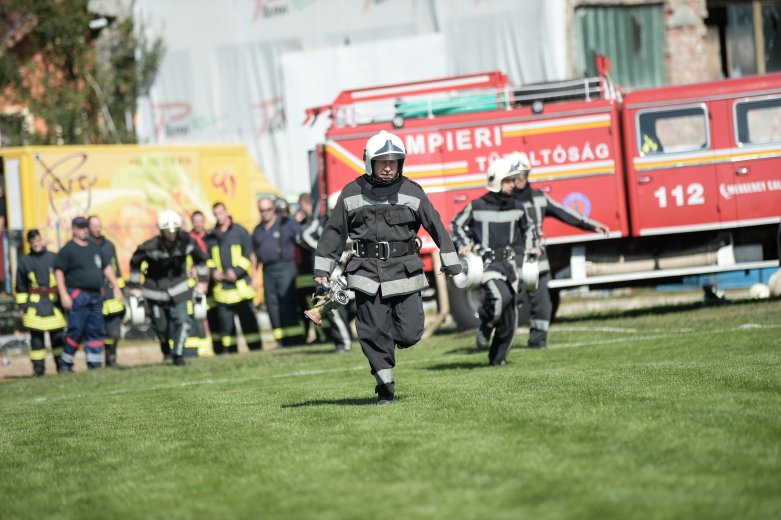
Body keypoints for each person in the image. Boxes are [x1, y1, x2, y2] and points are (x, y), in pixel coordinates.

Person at [313, 130, 462, 405]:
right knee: (371, 331)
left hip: (405, 273)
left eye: (394, 162)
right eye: (383, 161)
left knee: (409, 333)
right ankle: (385, 386)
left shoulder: (412, 191)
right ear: (370, 162)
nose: (388, 167)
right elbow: (333, 232)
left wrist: (451, 260)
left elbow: (436, 226)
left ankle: (386, 345)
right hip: (365, 274)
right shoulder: (350, 192)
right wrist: (323, 269)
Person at [510, 151, 609, 348]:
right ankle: (488, 335)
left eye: (524, 174)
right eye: (517, 175)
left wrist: (590, 225)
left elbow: (566, 213)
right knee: (507, 302)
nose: (521, 179)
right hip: (513, 261)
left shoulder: (539, 198)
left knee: (543, 303)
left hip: (538, 261)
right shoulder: (502, 202)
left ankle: (537, 342)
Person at [451, 156, 537, 366]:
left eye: (514, 180)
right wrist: (463, 243)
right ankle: (485, 326)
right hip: (486, 265)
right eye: (509, 180)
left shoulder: (518, 206)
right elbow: (457, 224)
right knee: (500, 298)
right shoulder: (477, 205)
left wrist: (531, 246)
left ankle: (498, 359)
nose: (514, 184)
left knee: (510, 316)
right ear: (497, 181)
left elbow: (530, 229)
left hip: (509, 267)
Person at [128, 210, 209, 366]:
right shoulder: (149, 247)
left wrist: (203, 281)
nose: (171, 234)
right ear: (161, 230)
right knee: (161, 327)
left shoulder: (188, 242)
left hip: (180, 288)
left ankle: (178, 355)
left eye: (174, 230)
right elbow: (135, 264)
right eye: (167, 231)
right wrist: (135, 286)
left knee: (184, 320)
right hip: (155, 291)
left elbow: (201, 260)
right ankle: (165, 347)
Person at [54, 216, 123, 372]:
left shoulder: (94, 247)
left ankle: (94, 365)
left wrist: (116, 287)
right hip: (78, 296)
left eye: (86, 227)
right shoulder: (68, 249)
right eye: (81, 227)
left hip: (96, 296)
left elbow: (106, 268)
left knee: (96, 330)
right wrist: (64, 295)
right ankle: (65, 365)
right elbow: (59, 272)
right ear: (73, 230)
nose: (85, 229)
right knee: (76, 330)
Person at [298, 196, 356, 352]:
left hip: (354, 275)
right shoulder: (324, 224)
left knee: (360, 309)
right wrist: (323, 248)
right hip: (333, 277)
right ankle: (344, 344)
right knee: (334, 310)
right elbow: (303, 235)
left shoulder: (356, 222)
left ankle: (358, 339)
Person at [252, 197, 305, 347]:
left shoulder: (286, 224)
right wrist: (254, 276)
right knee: (272, 305)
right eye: (262, 210)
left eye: (268, 209)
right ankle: (280, 340)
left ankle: (295, 339)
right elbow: (254, 254)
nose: (265, 213)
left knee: (287, 302)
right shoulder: (257, 230)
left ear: (273, 209)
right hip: (267, 270)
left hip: (286, 267)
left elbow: (302, 236)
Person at [211, 202, 262, 352]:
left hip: (241, 288)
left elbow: (248, 255)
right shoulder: (212, 235)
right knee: (226, 327)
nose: (219, 217)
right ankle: (230, 353)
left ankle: (256, 349)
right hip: (222, 290)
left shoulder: (240, 231)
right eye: (216, 214)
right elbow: (208, 257)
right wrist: (213, 271)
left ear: (226, 212)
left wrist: (236, 271)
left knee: (248, 322)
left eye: (221, 213)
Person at [15, 229, 67, 376]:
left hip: (53, 304)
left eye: (38, 240)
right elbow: (20, 287)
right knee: (36, 340)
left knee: (57, 337)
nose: (36, 244)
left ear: (42, 240)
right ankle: (39, 370)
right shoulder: (25, 261)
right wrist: (21, 308)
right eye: (33, 242)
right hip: (34, 305)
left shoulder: (54, 257)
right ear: (29, 244)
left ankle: (61, 367)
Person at [88, 215, 125, 367]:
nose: (97, 229)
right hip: (96, 294)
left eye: (99, 225)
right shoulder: (85, 246)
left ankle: (111, 358)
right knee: (98, 331)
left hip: (112, 294)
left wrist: (120, 289)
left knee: (114, 331)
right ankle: (96, 362)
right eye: (94, 226)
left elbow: (116, 269)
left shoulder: (109, 245)